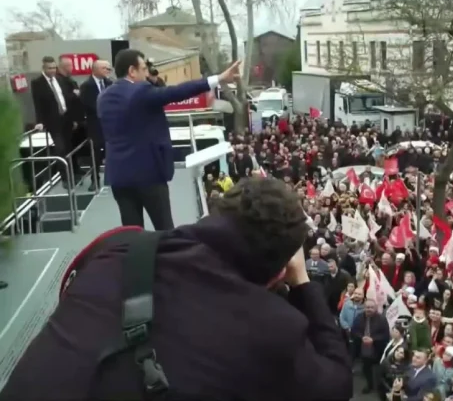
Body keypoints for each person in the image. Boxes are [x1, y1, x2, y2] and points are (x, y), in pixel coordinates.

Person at [0, 177, 353, 400]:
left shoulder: (118, 249)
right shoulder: (274, 329)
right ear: (279, 273)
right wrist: (302, 282)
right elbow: (337, 384)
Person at [98, 49, 241, 230]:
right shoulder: (140, 91)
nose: (147, 74)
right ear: (132, 71)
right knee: (165, 229)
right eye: (143, 69)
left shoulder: (103, 97)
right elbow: (177, 92)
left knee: (131, 232)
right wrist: (218, 79)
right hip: (148, 175)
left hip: (119, 176)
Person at [30, 56, 75, 188]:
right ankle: (65, 178)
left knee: (69, 147)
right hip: (52, 121)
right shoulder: (37, 83)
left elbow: (66, 97)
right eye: (49, 68)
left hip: (66, 118)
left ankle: (72, 173)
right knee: (60, 149)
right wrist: (39, 121)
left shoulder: (60, 79)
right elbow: (37, 103)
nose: (52, 70)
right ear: (44, 68)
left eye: (54, 68)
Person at [79, 60, 112, 191]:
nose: (108, 71)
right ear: (95, 69)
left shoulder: (110, 84)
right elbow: (88, 104)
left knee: (111, 152)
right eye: (105, 68)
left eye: (108, 68)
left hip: (110, 124)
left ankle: (111, 178)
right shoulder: (86, 86)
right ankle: (95, 180)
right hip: (95, 125)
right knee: (95, 154)